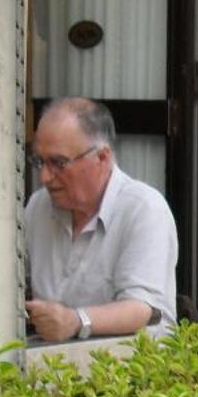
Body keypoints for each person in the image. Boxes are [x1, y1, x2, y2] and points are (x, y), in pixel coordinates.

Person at [24, 97, 178, 342]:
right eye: (39, 161)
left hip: (132, 370)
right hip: (53, 367)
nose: (44, 176)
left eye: (58, 163)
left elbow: (141, 309)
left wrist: (76, 321)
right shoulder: (38, 207)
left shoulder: (144, 209)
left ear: (102, 157)